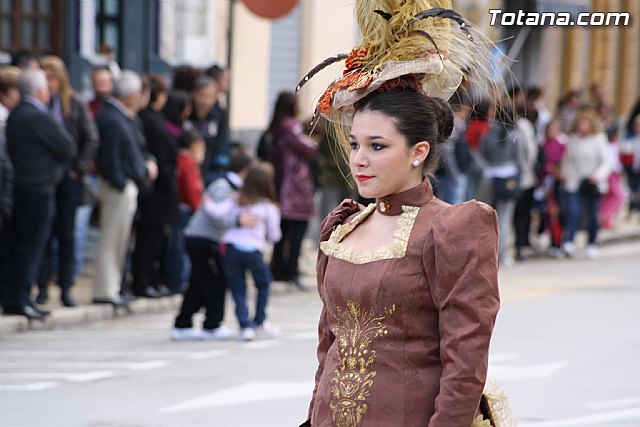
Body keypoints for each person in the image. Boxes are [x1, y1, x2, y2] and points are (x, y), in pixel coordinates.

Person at [295, 1, 513, 425]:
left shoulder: (454, 227)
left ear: (419, 152)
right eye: (356, 144)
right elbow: (328, 349)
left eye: (378, 147)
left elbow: (465, 363)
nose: (359, 159)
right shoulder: (343, 225)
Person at [4, 69, 75, 320]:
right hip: (36, 189)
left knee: (21, 245)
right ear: (40, 91)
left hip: (23, 188)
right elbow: (67, 147)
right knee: (30, 245)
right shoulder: (37, 116)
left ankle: (19, 296)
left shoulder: (16, 115)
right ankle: (20, 297)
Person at [171, 146, 255, 341]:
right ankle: (211, 324)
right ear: (245, 170)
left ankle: (183, 324)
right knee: (214, 281)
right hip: (201, 239)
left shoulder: (233, 187)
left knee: (198, 283)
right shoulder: (223, 186)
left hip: (209, 239)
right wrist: (238, 221)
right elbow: (215, 214)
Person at [36, 55, 100, 308]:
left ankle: (65, 286)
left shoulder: (74, 103)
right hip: (44, 176)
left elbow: (91, 137)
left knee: (67, 233)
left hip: (68, 177)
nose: (49, 83)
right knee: (43, 232)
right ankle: (41, 287)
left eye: (52, 77)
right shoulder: (38, 104)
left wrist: (79, 168)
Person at [92, 70, 158, 308]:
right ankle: (106, 290)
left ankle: (113, 287)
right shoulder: (111, 117)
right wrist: (122, 182)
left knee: (119, 241)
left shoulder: (123, 116)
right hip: (117, 187)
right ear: (130, 95)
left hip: (126, 185)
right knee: (112, 240)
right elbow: (109, 158)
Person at [205, 161, 282, 341]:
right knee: (263, 283)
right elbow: (275, 236)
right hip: (253, 250)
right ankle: (260, 320)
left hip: (230, 248)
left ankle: (245, 326)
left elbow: (217, 213)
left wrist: (207, 200)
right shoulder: (268, 207)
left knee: (238, 289)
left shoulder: (236, 198)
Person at [132, 75, 177, 298]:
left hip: (158, 190)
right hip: (155, 190)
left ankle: (149, 279)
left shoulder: (152, 119)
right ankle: (143, 281)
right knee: (148, 239)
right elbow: (163, 153)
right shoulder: (149, 120)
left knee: (154, 238)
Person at [268, 91, 317, 290]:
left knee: (283, 230)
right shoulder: (291, 126)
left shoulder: (275, 127)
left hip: (282, 183)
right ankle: (290, 270)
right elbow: (310, 148)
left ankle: (277, 268)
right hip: (295, 185)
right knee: (297, 230)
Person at [559, 109, 611, 259]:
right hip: (576, 182)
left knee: (592, 215)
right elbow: (567, 161)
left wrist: (597, 176)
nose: (582, 126)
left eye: (585, 123)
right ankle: (569, 242)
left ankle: (591, 243)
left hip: (593, 183)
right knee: (573, 212)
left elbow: (606, 162)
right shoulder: (573, 140)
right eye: (580, 123)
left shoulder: (599, 139)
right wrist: (566, 177)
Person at [185, 77, 230, 185]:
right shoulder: (186, 112)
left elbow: (223, 139)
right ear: (194, 94)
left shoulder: (219, 114)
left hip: (211, 166)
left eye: (209, 96)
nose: (204, 101)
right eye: (201, 95)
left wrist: (219, 164)